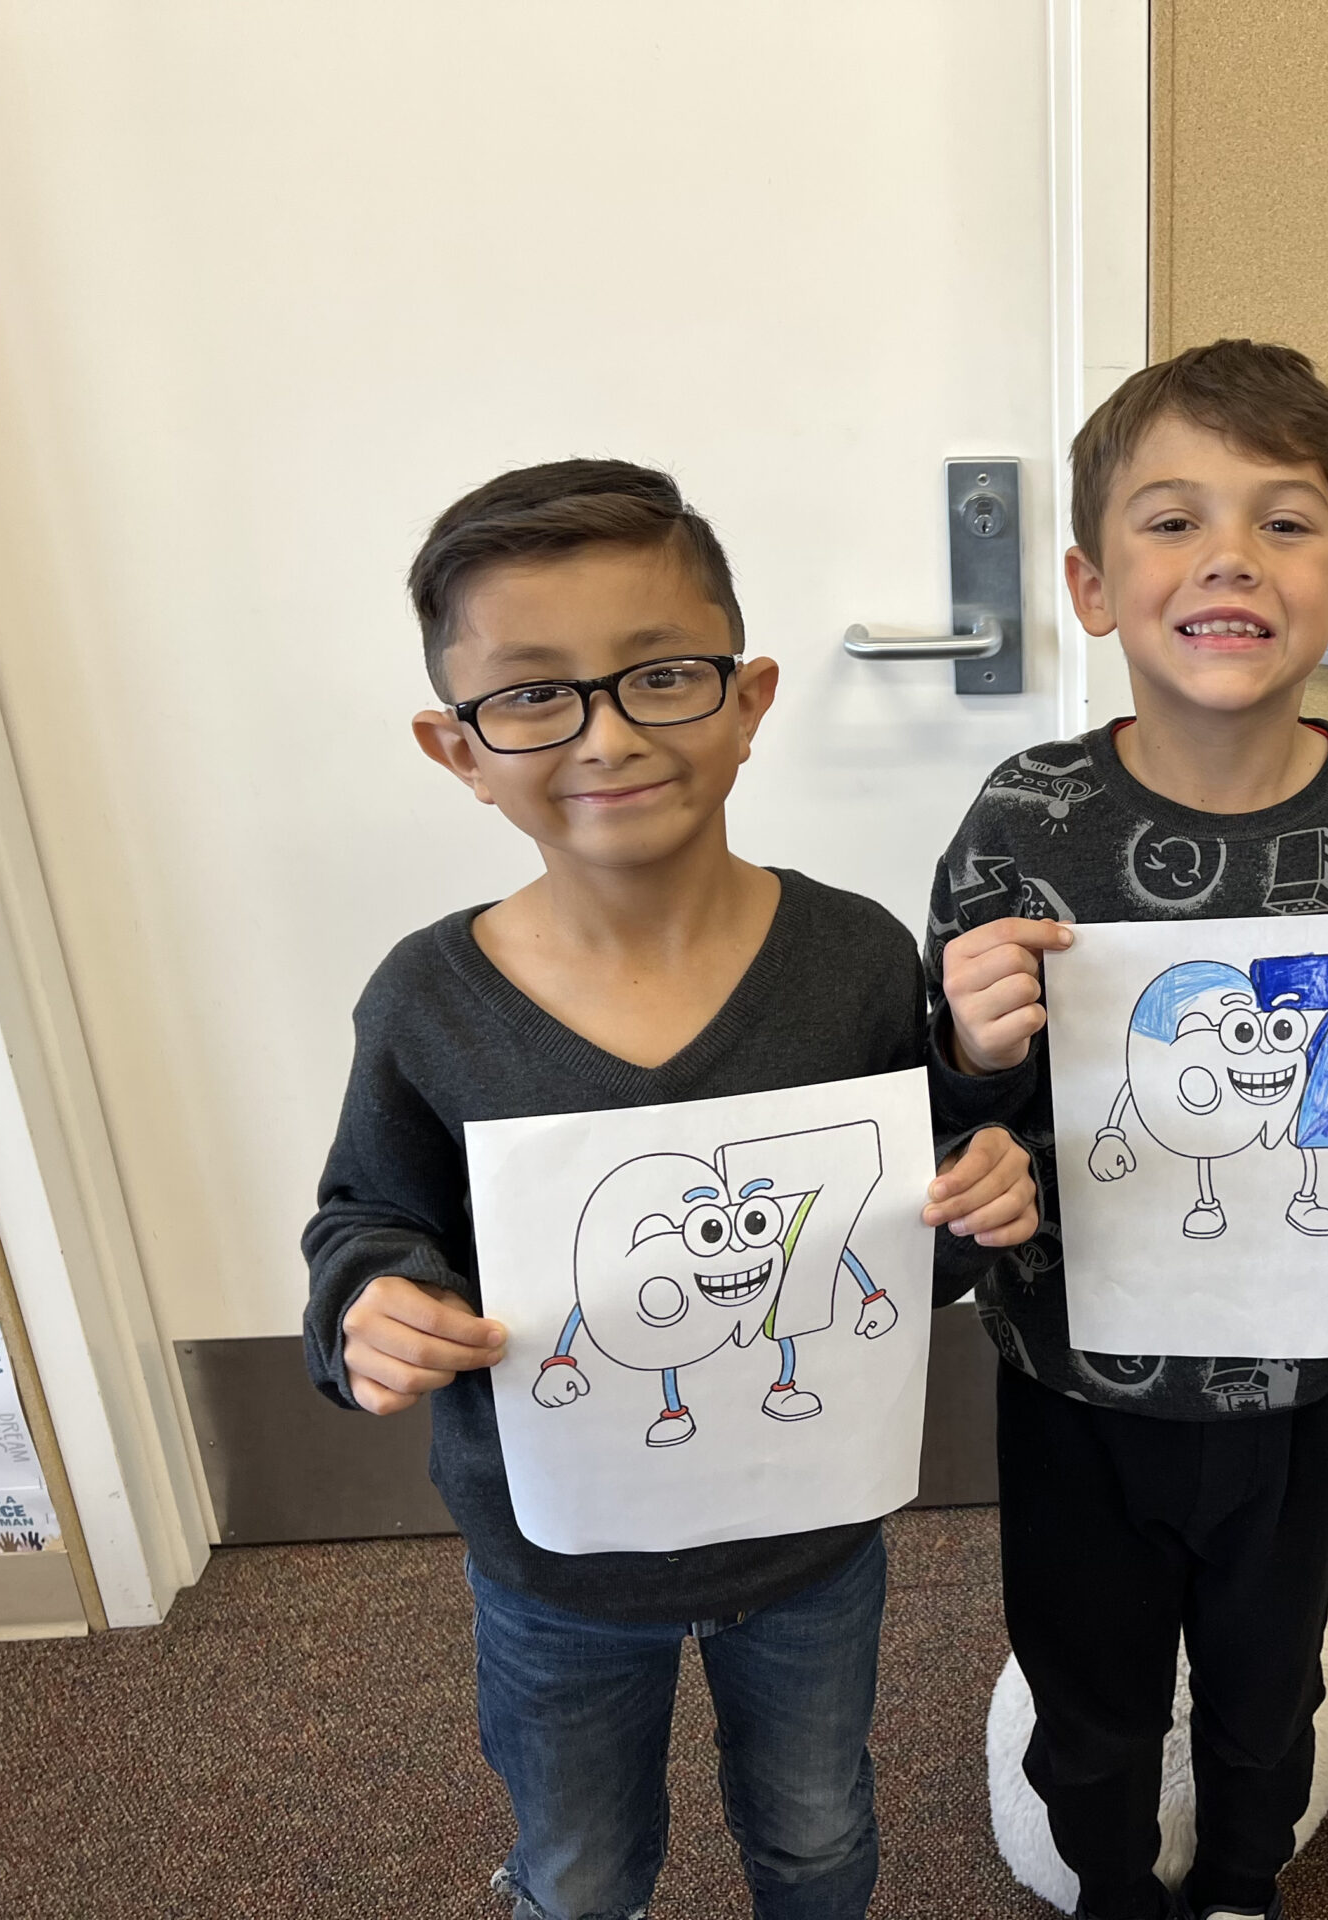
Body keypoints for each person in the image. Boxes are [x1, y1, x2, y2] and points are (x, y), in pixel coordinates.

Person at [300, 460, 1039, 1920]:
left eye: (662, 675)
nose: (606, 732)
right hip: (553, 1559)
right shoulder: (430, 999)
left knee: (819, 1837)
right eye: (533, 693)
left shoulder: (849, 960)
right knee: (579, 1868)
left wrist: (980, 1186)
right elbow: (366, 1218)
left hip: (809, 1535)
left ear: (751, 698)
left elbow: (899, 1254)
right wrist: (371, 1307)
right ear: (456, 746)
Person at [929, 340, 1328, 1920]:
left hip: (1300, 1386)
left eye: (1284, 524)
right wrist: (966, 1048)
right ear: (1088, 582)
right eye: (1170, 522)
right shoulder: (1024, 821)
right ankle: (1107, 1881)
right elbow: (950, 1136)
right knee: (1089, 1691)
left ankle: (1237, 1879)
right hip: (1072, 1380)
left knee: (1266, 1681)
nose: (1227, 558)